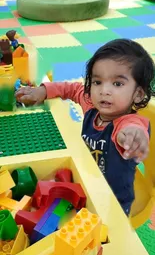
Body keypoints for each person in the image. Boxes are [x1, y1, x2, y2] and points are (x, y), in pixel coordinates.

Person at [16, 39, 155, 215]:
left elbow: (132, 128)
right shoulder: (91, 105)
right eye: (97, 82)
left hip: (113, 200)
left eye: (117, 84)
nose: (104, 90)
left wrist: (133, 136)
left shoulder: (128, 123)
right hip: (85, 180)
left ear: (138, 94)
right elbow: (73, 89)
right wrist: (43, 91)